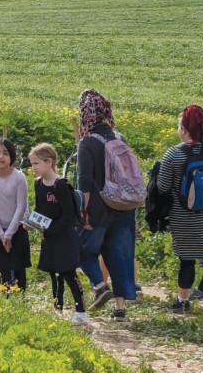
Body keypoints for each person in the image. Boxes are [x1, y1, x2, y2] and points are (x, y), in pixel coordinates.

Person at [157, 105, 203, 315]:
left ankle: (183, 302)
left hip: (182, 216)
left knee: (187, 259)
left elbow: (163, 186)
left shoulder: (173, 153)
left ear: (184, 128)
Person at [76, 89, 137, 323]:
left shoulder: (88, 143)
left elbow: (84, 182)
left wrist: (83, 213)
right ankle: (120, 310)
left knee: (82, 248)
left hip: (98, 208)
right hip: (124, 205)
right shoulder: (120, 138)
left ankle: (100, 287)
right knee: (119, 255)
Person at [28, 143, 88, 325]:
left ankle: (81, 311)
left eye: (36, 163)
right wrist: (32, 223)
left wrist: (52, 230)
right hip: (49, 238)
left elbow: (69, 216)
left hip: (64, 237)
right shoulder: (38, 185)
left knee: (69, 273)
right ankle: (58, 308)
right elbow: (39, 209)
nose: (33, 168)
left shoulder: (61, 185)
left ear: (49, 161)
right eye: (32, 164)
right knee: (54, 274)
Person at [0, 138, 30, 292]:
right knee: (3, 268)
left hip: (17, 228)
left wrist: (9, 233)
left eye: (5, 153)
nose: (1, 157)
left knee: (18, 267)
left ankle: (20, 299)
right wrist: (1, 235)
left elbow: (21, 206)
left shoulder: (19, 177)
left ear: (12, 157)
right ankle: (7, 299)